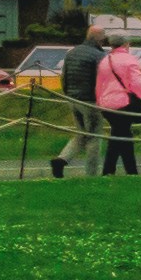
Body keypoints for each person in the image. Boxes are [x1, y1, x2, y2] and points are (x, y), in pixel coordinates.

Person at [55, 24, 109, 176]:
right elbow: (101, 80)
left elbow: (64, 76)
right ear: (100, 39)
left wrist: (67, 93)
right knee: (94, 137)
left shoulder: (72, 52)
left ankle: (62, 159)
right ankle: (91, 174)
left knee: (81, 134)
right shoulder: (99, 56)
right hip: (90, 101)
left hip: (72, 98)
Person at [94, 31, 141, 176]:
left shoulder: (105, 60)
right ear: (126, 44)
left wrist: (100, 102)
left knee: (120, 135)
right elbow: (137, 83)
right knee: (122, 136)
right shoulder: (130, 60)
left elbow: (99, 84)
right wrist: (140, 98)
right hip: (123, 103)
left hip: (106, 104)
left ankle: (117, 170)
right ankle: (124, 171)